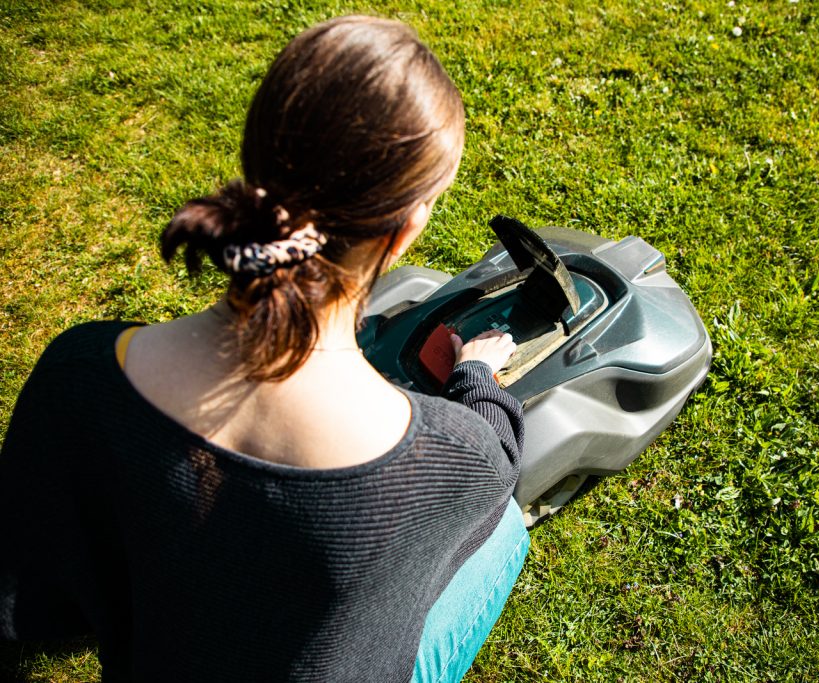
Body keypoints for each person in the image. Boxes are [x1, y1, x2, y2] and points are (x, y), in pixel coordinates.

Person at [0, 15, 528, 682]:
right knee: (505, 529)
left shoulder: (78, 375)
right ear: (404, 230)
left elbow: (36, 601)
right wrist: (477, 375)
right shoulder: (451, 458)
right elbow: (501, 452)